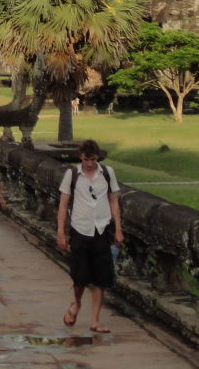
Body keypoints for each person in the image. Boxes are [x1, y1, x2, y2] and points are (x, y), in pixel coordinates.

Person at [56, 139, 123, 335]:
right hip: (80, 229)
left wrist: (118, 228)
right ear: (81, 157)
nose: (90, 164)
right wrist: (61, 232)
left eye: (93, 160)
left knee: (101, 278)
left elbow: (114, 202)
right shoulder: (72, 174)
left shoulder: (107, 174)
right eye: (87, 160)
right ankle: (76, 304)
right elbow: (63, 204)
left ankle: (95, 320)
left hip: (101, 229)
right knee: (80, 277)